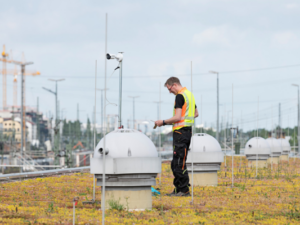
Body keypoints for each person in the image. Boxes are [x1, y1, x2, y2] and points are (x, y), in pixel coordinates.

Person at [155, 77, 198, 197]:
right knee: (176, 163)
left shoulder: (180, 96)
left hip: (180, 133)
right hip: (187, 132)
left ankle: (183, 190)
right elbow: (196, 113)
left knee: (179, 163)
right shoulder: (189, 94)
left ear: (174, 85)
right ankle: (179, 188)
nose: (170, 92)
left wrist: (162, 122)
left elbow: (177, 117)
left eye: (169, 89)